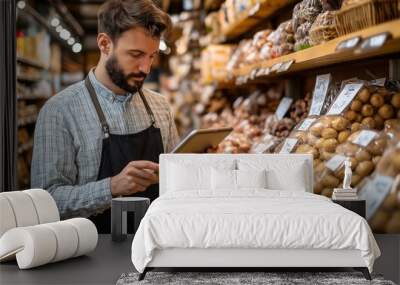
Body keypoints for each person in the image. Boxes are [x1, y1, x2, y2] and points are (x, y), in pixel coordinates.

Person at [31, 0, 179, 233]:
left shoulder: (160, 107)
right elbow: (46, 201)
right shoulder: (59, 112)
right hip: (88, 255)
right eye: (135, 54)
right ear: (104, 44)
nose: (145, 68)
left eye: (151, 56)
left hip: (157, 247)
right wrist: (111, 187)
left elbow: (175, 186)